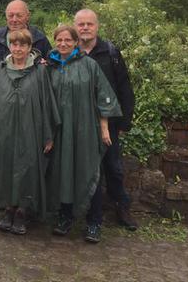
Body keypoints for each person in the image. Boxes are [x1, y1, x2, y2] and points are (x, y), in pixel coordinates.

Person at [46, 25, 122, 244]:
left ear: (75, 42)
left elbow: (103, 96)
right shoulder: (49, 67)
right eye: (59, 40)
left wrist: (105, 128)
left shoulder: (90, 65)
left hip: (85, 129)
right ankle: (65, 216)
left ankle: (94, 222)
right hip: (59, 131)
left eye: (67, 40)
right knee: (63, 172)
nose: (63, 44)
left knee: (90, 172)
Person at [0, 28, 61, 235]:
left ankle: (22, 212)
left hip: (30, 129)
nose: (18, 48)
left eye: (22, 45)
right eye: (14, 44)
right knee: (6, 167)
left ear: (29, 47)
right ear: (9, 46)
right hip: (3, 128)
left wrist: (47, 134)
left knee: (27, 169)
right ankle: (8, 209)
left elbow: (47, 104)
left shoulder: (40, 71)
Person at [75, 9, 138, 230]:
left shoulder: (110, 52)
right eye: (81, 24)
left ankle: (121, 207)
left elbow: (124, 88)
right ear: (75, 27)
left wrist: (123, 122)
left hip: (107, 122)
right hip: (79, 122)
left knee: (113, 166)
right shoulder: (70, 52)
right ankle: (86, 211)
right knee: (85, 168)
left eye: (89, 24)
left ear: (97, 27)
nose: (85, 28)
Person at [0, 0, 51, 91]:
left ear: (27, 16)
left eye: (19, 15)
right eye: (10, 15)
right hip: (3, 96)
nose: (14, 19)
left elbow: (51, 70)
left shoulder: (39, 39)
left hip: (32, 96)